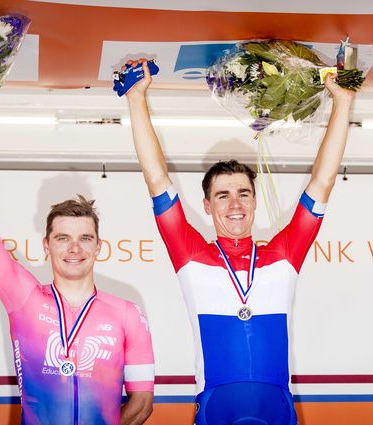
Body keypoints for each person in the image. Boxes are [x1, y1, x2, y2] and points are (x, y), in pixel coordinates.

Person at [125, 59, 355, 424]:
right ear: (207, 204)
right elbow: (156, 178)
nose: (235, 204)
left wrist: (343, 104)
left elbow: (323, 182)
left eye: (244, 194)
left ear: (254, 200)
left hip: (277, 407)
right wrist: (137, 99)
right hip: (218, 407)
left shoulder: (283, 255)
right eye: (223, 195)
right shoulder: (191, 255)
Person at [0, 108, 155, 425]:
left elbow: (143, 403)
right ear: (47, 245)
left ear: (99, 247)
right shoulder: (23, 296)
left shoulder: (127, 313)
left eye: (84, 238)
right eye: (63, 238)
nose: (74, 248)